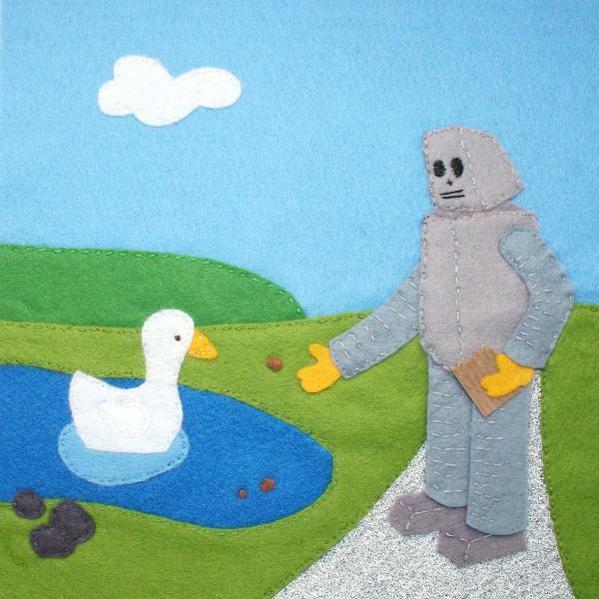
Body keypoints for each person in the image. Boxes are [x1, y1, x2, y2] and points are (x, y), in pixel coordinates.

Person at [297, 126, 572, 565]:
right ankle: (448, 504)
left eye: (458, 168)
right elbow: (409, 305)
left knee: (495, 446)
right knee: (448, 437)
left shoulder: (511, 232)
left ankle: (499, 529)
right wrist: (340, 358)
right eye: (438, 170)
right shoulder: (441, 238)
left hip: (496, 361)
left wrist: (522, 359)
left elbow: (553, 293)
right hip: (445, 356)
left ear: (489, 169)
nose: (447, 180)